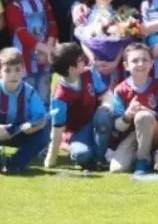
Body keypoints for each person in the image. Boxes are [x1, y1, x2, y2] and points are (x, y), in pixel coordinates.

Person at [0, 48, 50, 175]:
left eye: (17, 70)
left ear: (24, 71)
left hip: (20, 131)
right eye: (7, 70)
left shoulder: (29, 92)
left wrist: (33, 126)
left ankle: (16, 163)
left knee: (43, 134)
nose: (13, 75)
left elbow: (42, 117)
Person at [45, 42, 112, 171]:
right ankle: (68, 146)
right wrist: (51, 159)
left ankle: (99, 158)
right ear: (71, 69)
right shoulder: (60, 97)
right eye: (81, 60)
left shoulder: (89, 73)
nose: (85, 61)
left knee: (103, 116)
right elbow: (57, 128)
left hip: (96, 120)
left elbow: (106, 94)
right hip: (76, 131)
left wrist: (106, 106)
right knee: (81, 155)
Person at [0, 0, 57, 101]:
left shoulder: (42, 0)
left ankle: (44, 123)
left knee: (44, 99)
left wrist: (49, 48)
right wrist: (46, 50)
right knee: (26, 100)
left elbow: (52, 24)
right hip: (24, 64)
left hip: (45, 61)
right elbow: (22, 34)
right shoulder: (13, 7)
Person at [108, 43, 158, 175]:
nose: (140, 64)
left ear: (152, 63)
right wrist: (128, 114)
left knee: (142, 116)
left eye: (145, 60)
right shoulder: (120, 90)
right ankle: (146, 156)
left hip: (155, 136)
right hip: (132, 136)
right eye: (135, 61)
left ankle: (143, 160)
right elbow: (118, 127)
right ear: (126, 66)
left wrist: (148, 111)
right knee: (117, 169)